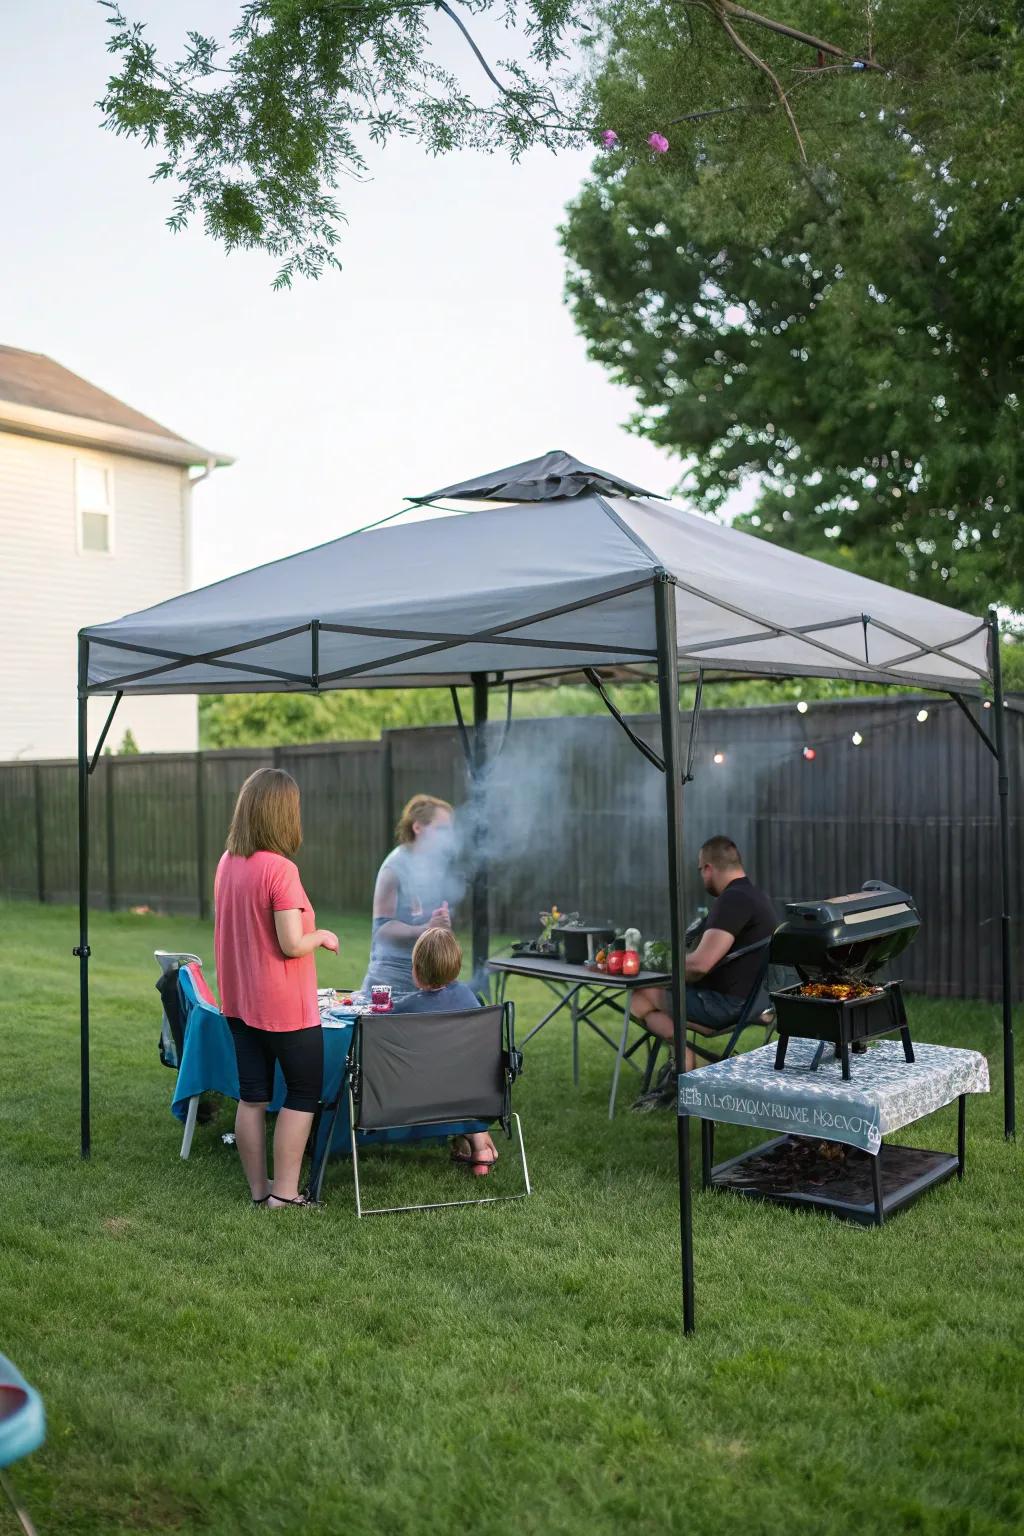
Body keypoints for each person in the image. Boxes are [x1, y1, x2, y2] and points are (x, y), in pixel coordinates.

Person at [214, 768, 339, 1208]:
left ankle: (259, 1191)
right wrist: (321, 936)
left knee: (253, 1097)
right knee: (303, 1094)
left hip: (240, 1003)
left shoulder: (228, 863)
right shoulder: (281, 870)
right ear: (283, 813)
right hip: (286, 1007)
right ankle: (285, 1196)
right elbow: (290, 944)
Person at [631, 835, 776, 1093]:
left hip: (724, 1006)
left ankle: (685, 1064)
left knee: (639, 995)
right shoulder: (755, 896)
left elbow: (700, 965)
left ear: (708, 868)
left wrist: (658, 967)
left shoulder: (733, 900)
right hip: (752, 1002)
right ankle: (699, 1065)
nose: (702, 877)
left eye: (700, 870)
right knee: (654, 991)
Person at [393, 928, 499, 1176]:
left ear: (416, 970)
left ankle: (472, 1143)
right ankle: (479, 1148)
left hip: (417, 1097)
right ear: (456, 967)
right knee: (454, 1079)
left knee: (438, 1079)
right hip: (470, 1092)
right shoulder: (467, 996)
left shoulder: (407, 1006)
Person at [362, 794, 458, 996]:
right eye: (441, 829)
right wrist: (426, 929)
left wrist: (442, 923)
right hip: (392, 982)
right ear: (417, 828)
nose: (448, 836)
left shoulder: (438, 866)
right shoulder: (394, 868)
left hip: (430, 980)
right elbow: (382, 930)